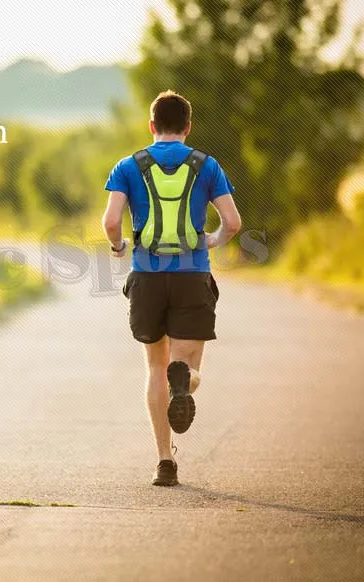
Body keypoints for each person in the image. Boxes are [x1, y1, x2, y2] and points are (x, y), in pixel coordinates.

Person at [102, 90, 242, 486]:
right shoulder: (206, 165)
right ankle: (187, 383)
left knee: (155, 367)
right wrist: (211, 240)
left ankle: (165, 461)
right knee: (187, 368)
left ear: (151, 127)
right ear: (188, 126)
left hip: (147, 275)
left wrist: (118, 247)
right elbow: (232, 222)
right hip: (191, 274)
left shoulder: (129, 166)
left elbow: (111, 222)